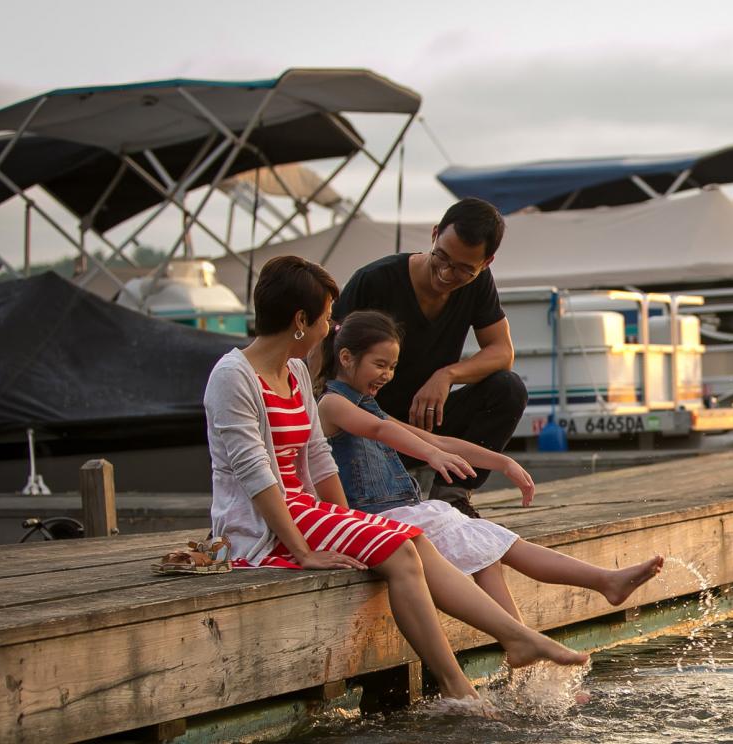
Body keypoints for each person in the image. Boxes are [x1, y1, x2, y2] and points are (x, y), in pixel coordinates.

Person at [202, 255, 586, 701]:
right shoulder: (233, 377)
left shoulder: (295, 372)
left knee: (410, 539)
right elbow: (256, 475)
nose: (330, 328)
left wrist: (348, 527)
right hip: (262, 521)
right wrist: (307, 552)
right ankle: (459, 685)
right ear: (300, 320)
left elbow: (318, 457)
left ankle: (510, 643)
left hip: (304, 510)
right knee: (402, 549)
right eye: (326, 318)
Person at [316, 309, 664, 620]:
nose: (388, 375)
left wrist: (501, 462)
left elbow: (439, 440)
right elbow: (382, 432)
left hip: (405, 512)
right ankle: (592, 591)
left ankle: (541, 630)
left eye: (393, 367)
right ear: (346, 358)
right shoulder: (332, 404)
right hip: (379, 520)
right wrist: (431, 456)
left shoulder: (367, 405)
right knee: (485, 545)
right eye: (380, 365)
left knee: (493, 543)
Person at [333, 198, 522, 512]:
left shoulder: (478, 285)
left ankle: (453, 495)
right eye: (442, 258)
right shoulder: (374, 281)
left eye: (464, 269)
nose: (447, 274)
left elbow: (503, 351)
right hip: (367, 423)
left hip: (428, 419)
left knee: (508, 388)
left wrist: (446, 375)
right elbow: (325, 361)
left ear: (486, 263)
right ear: (434, 234)